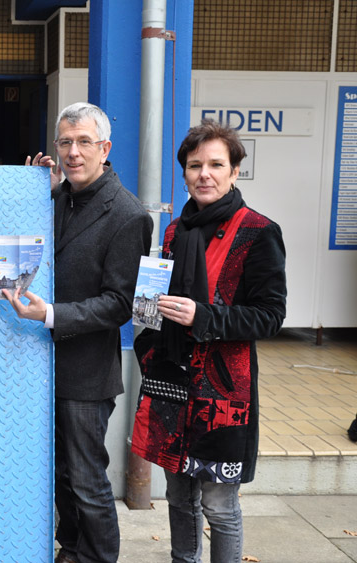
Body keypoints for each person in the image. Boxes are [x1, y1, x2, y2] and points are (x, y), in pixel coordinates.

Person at [3, 102, 153, 563]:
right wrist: (31, 194)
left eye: (84, 142)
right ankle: (71, 550)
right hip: (35, 366)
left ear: (105, 149)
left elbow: (120, 304)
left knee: (87, 480)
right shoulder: (55, 197)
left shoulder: (128, 214)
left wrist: (51, 314)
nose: (73, 152)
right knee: (59, 475)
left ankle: (99, 557)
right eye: (65, 142)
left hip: (86, 372)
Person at [131, 119, 287, 563]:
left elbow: (271, 316)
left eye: (216, 165)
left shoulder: (258, 231)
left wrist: (204, 316)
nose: (205, 174)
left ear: (234, 171)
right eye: (195, 165)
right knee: (178, 497)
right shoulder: (174, 231)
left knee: (219, 506)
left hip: (223, 395)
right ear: (184, 172)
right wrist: (148, 328)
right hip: (171, 384)